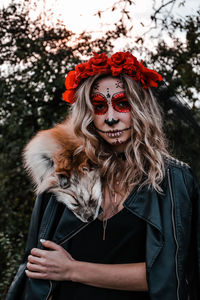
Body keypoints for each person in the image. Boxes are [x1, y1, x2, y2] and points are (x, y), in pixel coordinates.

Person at [6, 52, 200, 300]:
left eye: (122, 103)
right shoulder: (65, 175)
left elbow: (170, 274)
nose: (111, 117)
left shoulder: (173, 179)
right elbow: (37, 265)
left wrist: (72, 270)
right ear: (88, 115)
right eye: (99, 106)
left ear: (141, 108)